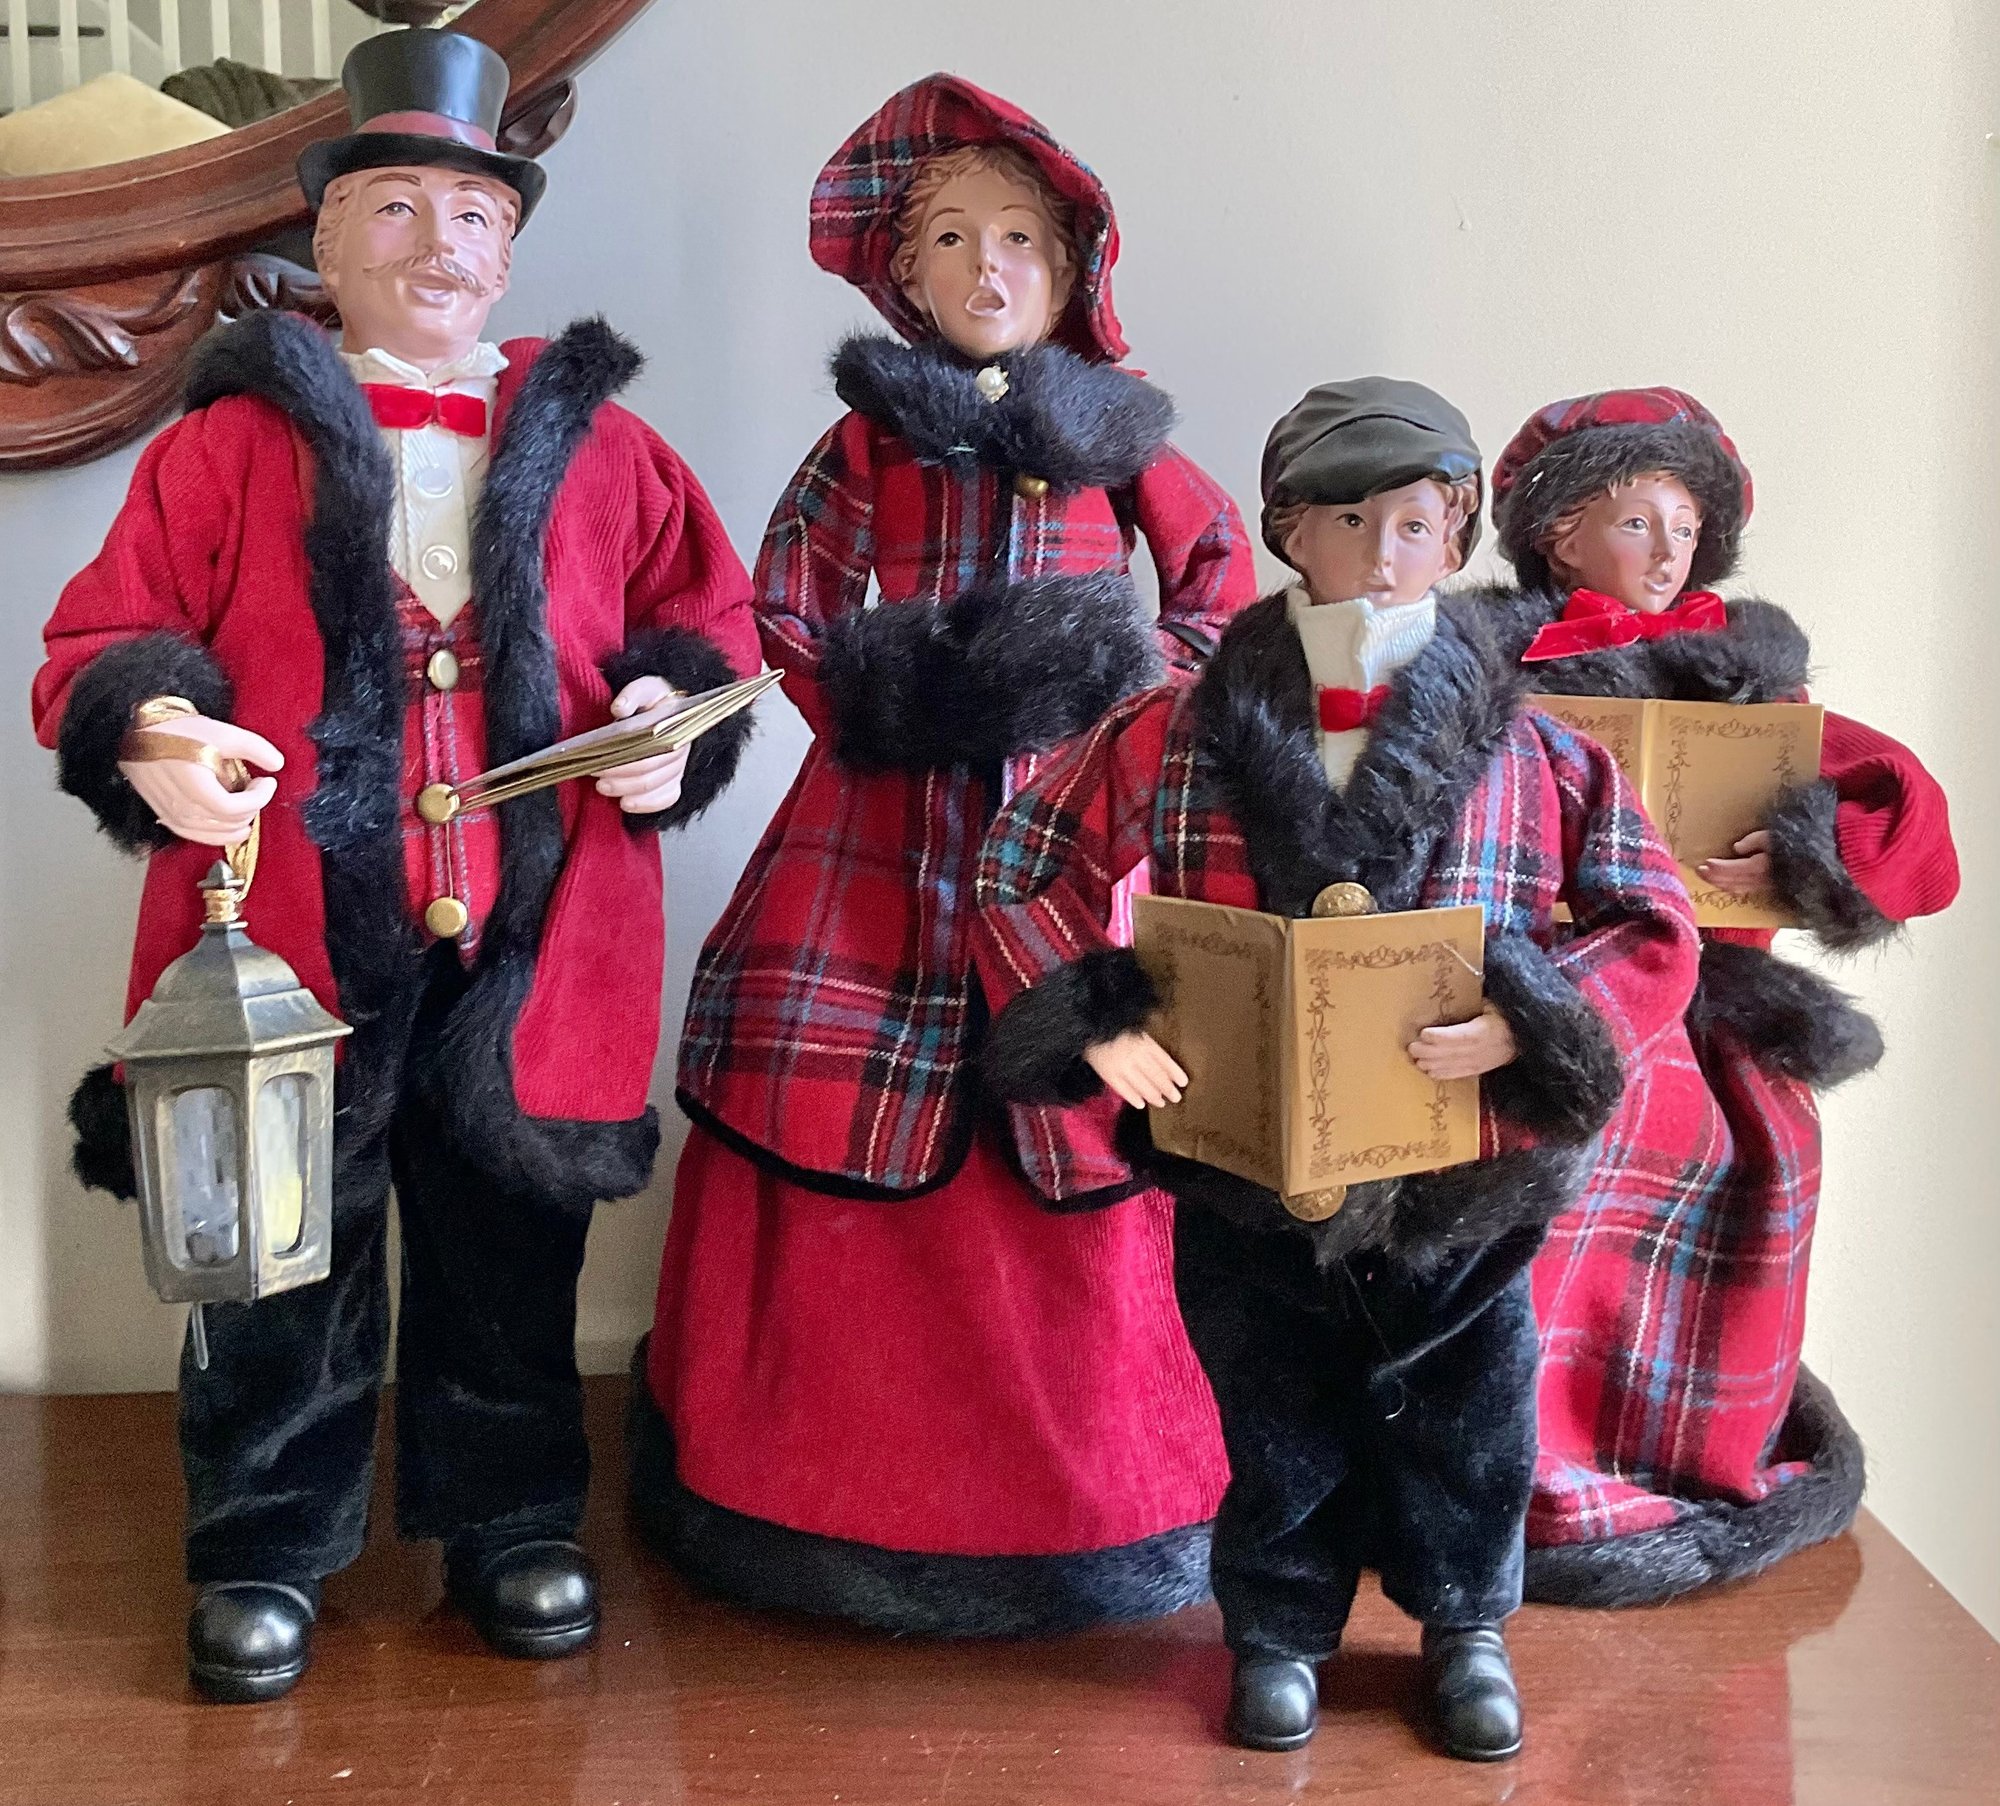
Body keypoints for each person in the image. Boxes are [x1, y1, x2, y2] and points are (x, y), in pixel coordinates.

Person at [31, 29, 758, 1703]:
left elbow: (709, 632)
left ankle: (511, 1518)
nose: (439, 243)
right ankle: (263, 1540)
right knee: (276, 1248)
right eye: (397, 207)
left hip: (536, 931)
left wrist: (667, 720)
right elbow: (98, 647)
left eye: (472, 214)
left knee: (510, 1242)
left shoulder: (613, 454)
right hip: (290, 930)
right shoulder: (222, 447)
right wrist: (160, 732)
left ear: (510, 248)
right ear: (327, 237)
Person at [975, 379, 1700, 1758]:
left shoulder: (1537, 747)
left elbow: (1651, 919)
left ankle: (1465, 1625)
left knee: (1473, 1415)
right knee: (1273, 1416)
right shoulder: (1173, 729)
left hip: (1461, 1172)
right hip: (1245, 1158)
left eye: (1414, 523)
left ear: (1457, 535)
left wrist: (1535, 1021)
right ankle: (1276, 1627)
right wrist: (1094, 1016)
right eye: (1347, 521)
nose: (1381, 553)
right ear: (1288, 532)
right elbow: (1022, 861)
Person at [631, 74, 1253, 1635]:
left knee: (1097, 1097)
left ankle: (1099, 1499)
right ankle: (800, 1486)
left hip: (1075, 836)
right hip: (877, 842)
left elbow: (1217, 589)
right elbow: (783, 605)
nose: (988, 267)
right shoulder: (870, 441)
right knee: (839, 1091)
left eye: (1019, 239)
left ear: (1071, 267)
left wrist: (1130, 703)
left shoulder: (1123, 440)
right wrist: (884, 695)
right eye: (954, 240)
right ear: (904, 275)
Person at [1481, 388, 1959, 1604]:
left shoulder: (1745, 683)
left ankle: (1686, 1450)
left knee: (1752, 1164)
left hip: (1711, 1016)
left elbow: (1903, 807)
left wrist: (1804, 851)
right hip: (1550, 1000)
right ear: (1557, 536)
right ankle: (1512, 1463)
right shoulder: (1489, 672)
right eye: (1633, 523)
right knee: (1541, 1187)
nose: (1663, 553)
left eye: (1683, 529)